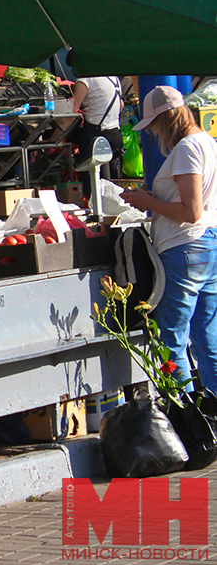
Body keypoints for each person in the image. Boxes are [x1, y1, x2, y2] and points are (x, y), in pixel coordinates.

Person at [120, 85, 217, 393]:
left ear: (165, 119)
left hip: (185, 246)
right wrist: (154, 198)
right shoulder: (207, 142)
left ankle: (184, 414)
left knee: (170, 336)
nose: (152, 133)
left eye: (153, 125)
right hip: (208, 244)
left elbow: (190, 211)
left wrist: (147, 202)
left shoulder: (187, 148)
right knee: (206, 335)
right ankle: (210, 417)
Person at [66, 51, 124, 190]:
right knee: (113, 187)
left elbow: (73, 111)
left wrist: (55, 137)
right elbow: (120, 104)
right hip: (115, 135)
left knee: (97, 187)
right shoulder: (113, 77)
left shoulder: (85, 79)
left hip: (96, 137)